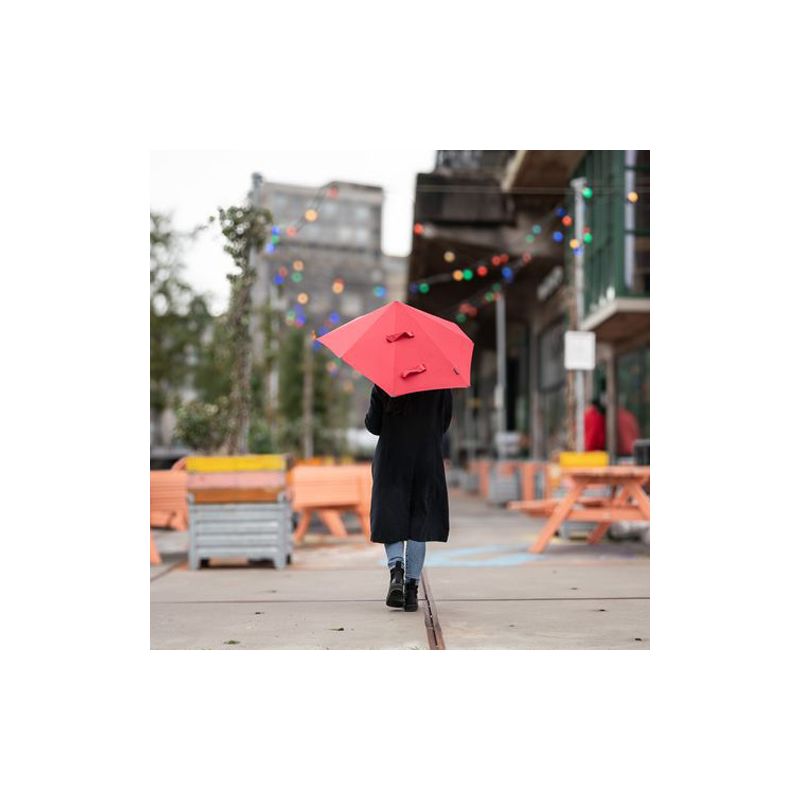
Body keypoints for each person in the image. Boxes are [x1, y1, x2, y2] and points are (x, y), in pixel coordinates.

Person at [364, 384, 453, 612]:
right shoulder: (439, 384)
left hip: (391, 459)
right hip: (426, 458)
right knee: (419, 522)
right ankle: (411, 591)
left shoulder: (385, 381)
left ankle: (396, 573)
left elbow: (373, 426)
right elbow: (444, 424)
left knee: (390, 515)